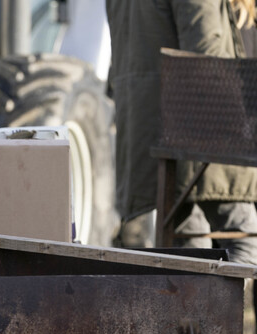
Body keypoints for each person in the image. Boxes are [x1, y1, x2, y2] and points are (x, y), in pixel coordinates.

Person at [107, 0, 257, 264]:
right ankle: (219, 306)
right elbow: (208, 57)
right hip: (204, 134)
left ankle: (202, 306)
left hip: (153, 133)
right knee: (245, 240)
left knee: (187, 252)